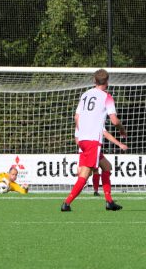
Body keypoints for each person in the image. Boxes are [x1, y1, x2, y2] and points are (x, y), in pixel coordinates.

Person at [62, 68, 126, 212]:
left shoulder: (85, 94)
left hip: (82, 139)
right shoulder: (107, 97)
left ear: (94, 81)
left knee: (107, 167)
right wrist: (122, 129)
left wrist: (82, 132)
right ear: (107, 82)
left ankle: (109, 201)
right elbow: (115, 121)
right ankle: (67, 203)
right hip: (92, 141)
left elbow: (76, 117)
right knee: (84, 174)